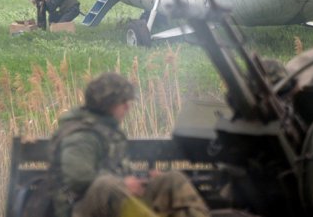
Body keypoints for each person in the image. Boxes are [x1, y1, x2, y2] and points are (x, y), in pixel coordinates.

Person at [48, 72, 208, 217]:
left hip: (114, 200)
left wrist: (143, 178)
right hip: (80, 209)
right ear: (106, 103)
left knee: (171, 179)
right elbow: (78, 179)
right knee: (107, 185)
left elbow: (115, 170)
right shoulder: (82, 135)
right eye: (122, 101)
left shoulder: (107, 130)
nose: (127, 106)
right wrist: (123, 184)